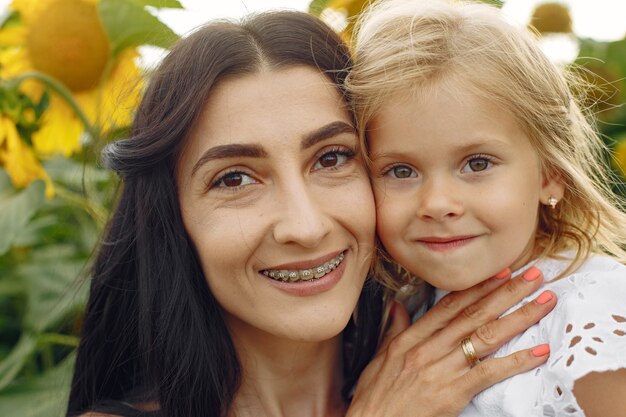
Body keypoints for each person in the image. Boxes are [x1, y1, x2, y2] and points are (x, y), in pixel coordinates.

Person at [67, 10, 559, 417]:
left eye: (332, 158)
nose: (306, 227)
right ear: (173, 218)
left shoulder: (479, 381)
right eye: (235, 179)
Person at [346, 0, 626, 416]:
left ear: (551, 174)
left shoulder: (594, 313)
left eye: (477, 164)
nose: (438, 204)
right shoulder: (396, 312)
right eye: (400, 170)